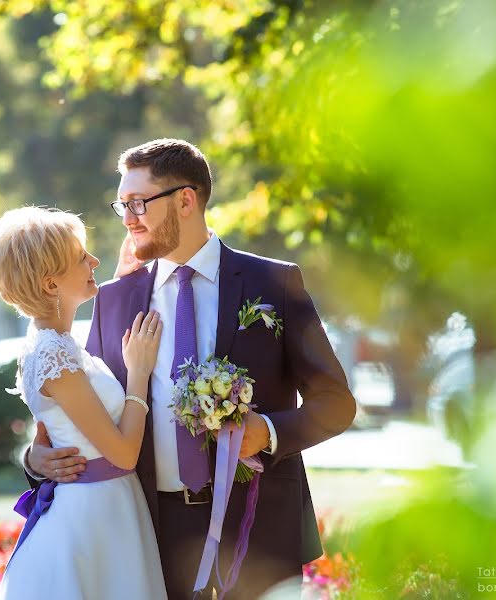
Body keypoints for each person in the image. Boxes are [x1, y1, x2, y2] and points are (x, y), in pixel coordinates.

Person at [26, 139, 357, 599]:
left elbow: (337, 404)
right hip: (151, 536)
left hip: (260, 530)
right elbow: (87, 409)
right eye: (122, 204)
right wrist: (36, 459)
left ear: (185, 200)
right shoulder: (114, 301)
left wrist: (269, 432)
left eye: (139, 203)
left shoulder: (275, 283)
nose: (127, 218)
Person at [0, 207, 167, 599]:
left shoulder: (56, 344)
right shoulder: (54, 356)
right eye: (82, 257)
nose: (94, 261)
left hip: (105, 507)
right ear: (51, 285)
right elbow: (122, 453)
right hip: (92, 516)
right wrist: (138, 373)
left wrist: (122, 284)